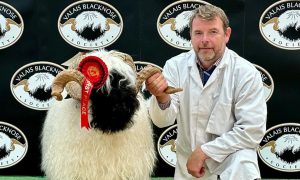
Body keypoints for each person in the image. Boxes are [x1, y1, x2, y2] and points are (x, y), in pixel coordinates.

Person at [146, 4, 267, 180]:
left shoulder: (245, 73)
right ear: (190, 36)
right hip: (188, 166)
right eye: (198, 33)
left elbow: (252, 130)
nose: (205, 40)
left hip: (231, 162)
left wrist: (205, 151)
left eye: (213, 32)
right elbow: (162, 120)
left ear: (227, 35)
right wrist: (162, 96)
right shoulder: (175, 66)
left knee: (243, 163)